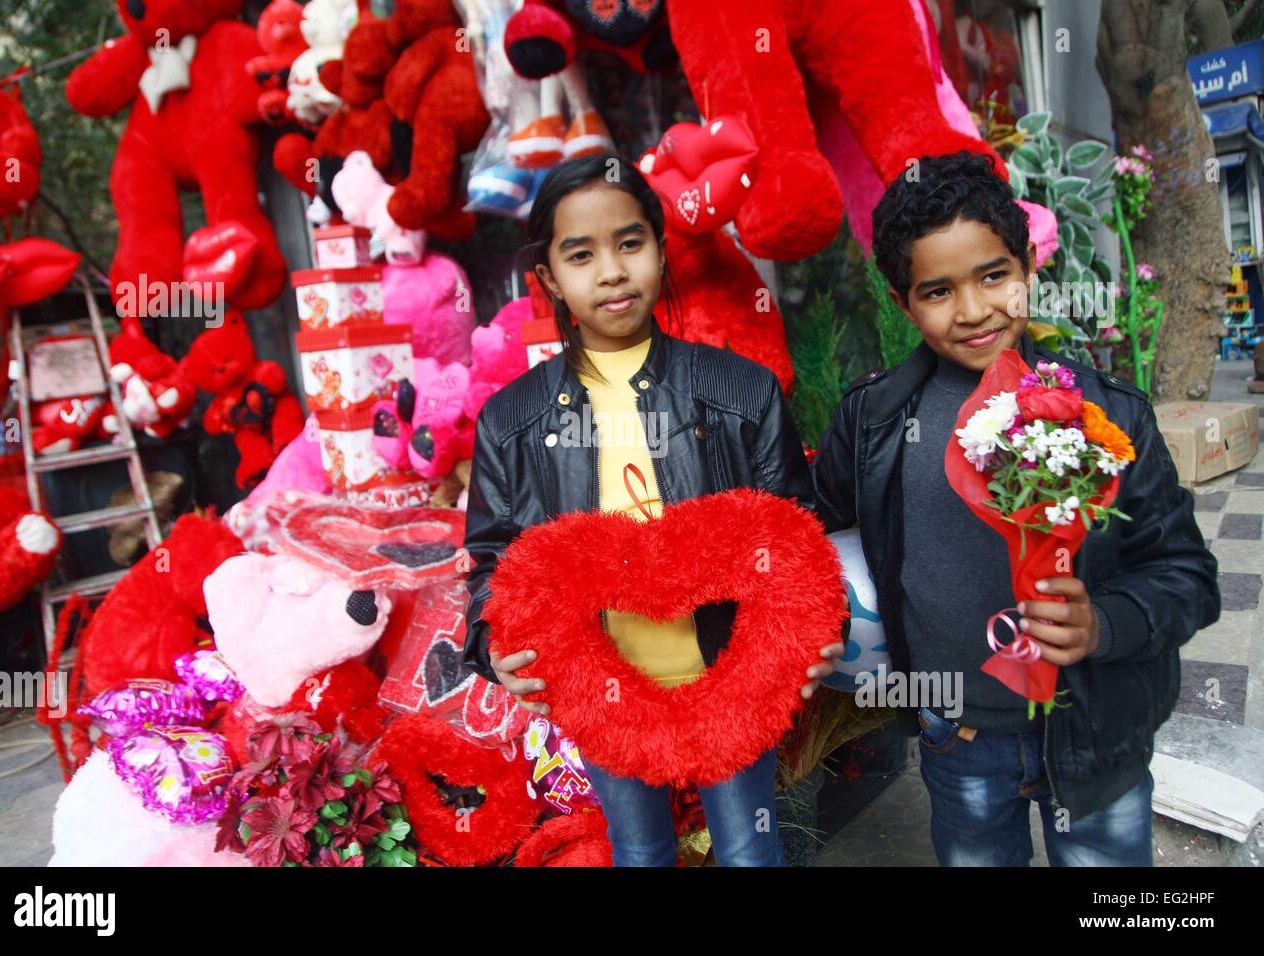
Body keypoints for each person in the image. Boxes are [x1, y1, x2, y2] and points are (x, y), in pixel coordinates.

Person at [814, 150, 1220, 866]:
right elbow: (811, 530)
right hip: (958, 733)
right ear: (902, 300)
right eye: (937, 291)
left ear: (1027, 266)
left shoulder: (1105, 414)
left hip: (1095, 729)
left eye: (994, 276)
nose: (973, 311)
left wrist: (1105, 623)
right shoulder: (873, 424)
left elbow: (1187, 573)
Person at [461, 153, 838, 866]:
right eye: (581, 254)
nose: (610, 270)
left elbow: (798, 538)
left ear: (662, 251)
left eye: (630, 242)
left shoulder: (740, 393)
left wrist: (813, 637)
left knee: (750, 851)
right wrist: (496, 649)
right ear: (548, 278)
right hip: (603, 690)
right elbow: (492, 561)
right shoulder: (510, 423)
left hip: (732, 678)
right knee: (638, 852)